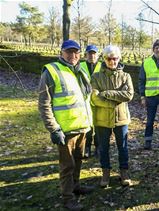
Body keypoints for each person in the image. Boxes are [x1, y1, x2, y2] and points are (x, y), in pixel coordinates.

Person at [38, 39, 94, 210]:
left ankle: (75, 186)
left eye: (76, 52)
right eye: (69, 52)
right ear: (61, 53)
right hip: (65, 130)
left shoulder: (80, 70)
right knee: (67, 165)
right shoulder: (51, 71)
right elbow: (44, 104)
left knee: (78, 161)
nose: (73, 55)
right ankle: (67, 198)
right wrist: (53, 128)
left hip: (82, 126)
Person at [90, 45, 134, 188]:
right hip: (102, 119)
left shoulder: (126, 76)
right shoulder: (96, 77)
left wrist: (108, 93)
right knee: (103, 147)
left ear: (119, 58)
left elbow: (129, 95)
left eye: (115, 58)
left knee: (123, 147)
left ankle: (124, 172)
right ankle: (105, 173)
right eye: (109, 59)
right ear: (105, 59)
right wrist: (115, 102)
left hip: (121, 119)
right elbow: (95, 98)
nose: (112, 62)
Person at [80, 44, 102, 158]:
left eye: (94, 53)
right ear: (86, 55)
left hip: (99, 100)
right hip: (85, 100)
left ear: (97, 55)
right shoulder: (80, 66)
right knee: (88, 125)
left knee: (98, 125)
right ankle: (87, 147)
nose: (92, 56)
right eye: (89, 53)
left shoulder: (102, 66)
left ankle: (98, 147)